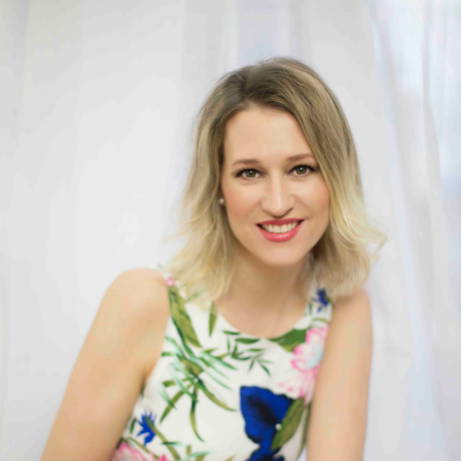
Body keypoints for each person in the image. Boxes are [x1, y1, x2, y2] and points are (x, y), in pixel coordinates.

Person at [40, 57, 386, 461]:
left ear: (336, 177)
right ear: (218, 185)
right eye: (250, 173)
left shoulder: (342, 309)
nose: (277, 203)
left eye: (301, 169)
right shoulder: (143, 302)